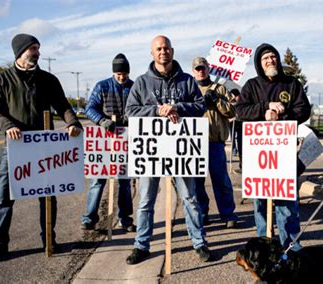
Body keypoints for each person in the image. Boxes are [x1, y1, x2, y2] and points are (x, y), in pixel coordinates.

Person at [0, 33, 83, 261]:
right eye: (33, 48)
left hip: (44, 148)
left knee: (48, 196)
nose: (38, 53)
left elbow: (62, 104)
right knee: (3, 197)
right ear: (20, 52)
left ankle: (48, 239)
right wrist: (8, 125)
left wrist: (73, 122)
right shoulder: (3, 80)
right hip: (16, 147)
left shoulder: (48, 80)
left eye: (38, 48)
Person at [125, 35, 210, 264]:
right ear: (152, 53)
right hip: (151, 153)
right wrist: (157, 110)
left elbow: (201, 106)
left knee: (190, 198)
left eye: (167, 48)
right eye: (159, 49)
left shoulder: (187, 81)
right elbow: (130, 112)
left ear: (172, 51)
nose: (163, 52)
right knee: (145, 201)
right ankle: (141, 245)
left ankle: (199, 242)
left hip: (181, 152)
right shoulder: (142, 82)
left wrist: (177, 107)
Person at [235, 43, 310, 250]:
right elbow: (241, 110)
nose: (270, 61)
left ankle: (290, 246)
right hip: (258, 155)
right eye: (265, 58)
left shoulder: (291, 84)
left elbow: (304, 110)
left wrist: (282, 115)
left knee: (287, 203)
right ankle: (265, 244)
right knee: (260, 203)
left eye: (273, 57)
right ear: (259, 63)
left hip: (284, 154)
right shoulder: (251, 86)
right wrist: (264, 109)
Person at [80, 53, 136, 232]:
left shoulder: (134, 87)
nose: (122, 77)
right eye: (118, 73)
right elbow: (90, 108)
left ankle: (125, 219)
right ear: (113, 72)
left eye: (124, 73)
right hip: (104, 139)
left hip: (126, 139)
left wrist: (132, 116)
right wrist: (102, 121)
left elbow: (141, 108)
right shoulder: (102, 86)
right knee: (98, 180)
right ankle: (89, 218)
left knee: (125, 182)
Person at [191, 57, 238, 228]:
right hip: (194, 143)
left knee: (221, 180)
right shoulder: (190, 89)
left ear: (208, 68)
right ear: (193, 71)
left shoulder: (219, 88)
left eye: (203, 68)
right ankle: (202, 213)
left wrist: (217, 100)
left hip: (215, 142)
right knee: (196, 183)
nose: (200, 71)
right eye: (197, 68)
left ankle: (228, 213)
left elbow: (232, 110)